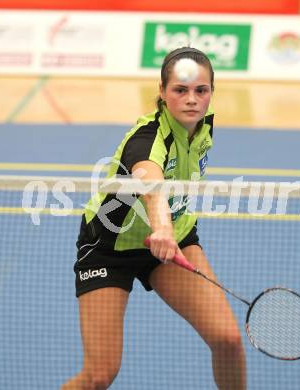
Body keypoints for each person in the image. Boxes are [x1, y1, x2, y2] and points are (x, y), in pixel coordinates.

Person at [61, 47, 246, 390]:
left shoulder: (202, 126)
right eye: (180, 90)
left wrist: (169, 231)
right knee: (99, 375)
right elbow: (150, 181)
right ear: (162, 92)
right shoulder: (146, 140)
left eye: (201, 91)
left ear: (211, 93)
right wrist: (160, 226)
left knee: (228, 341)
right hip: (110, 249)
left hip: (175, 241)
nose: (192, 100)